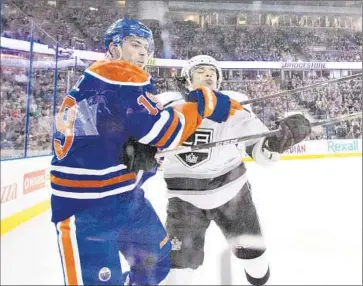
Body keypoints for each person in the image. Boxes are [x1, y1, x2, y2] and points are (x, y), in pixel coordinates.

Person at [50, 21, 242, 285]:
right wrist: (202, 104)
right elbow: (164, 132)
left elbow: (110, 132)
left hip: (124, 198)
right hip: (87, 206)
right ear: (113, 47)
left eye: (146, 47)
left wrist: (133, 147)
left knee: (156, 260)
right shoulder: (118, 74)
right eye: (134, 44)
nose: (142, 53)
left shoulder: (100, 79)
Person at [155, 55, 312, 285]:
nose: (208, 74)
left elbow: (260, 150)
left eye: (213, 72)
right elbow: (148, 141)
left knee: (257, 266)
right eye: (201, 71)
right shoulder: (168, 105)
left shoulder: (232, 105)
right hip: (184, 201)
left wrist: (275, 144)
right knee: (177, 272)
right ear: (187, 80)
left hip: (233, 196)